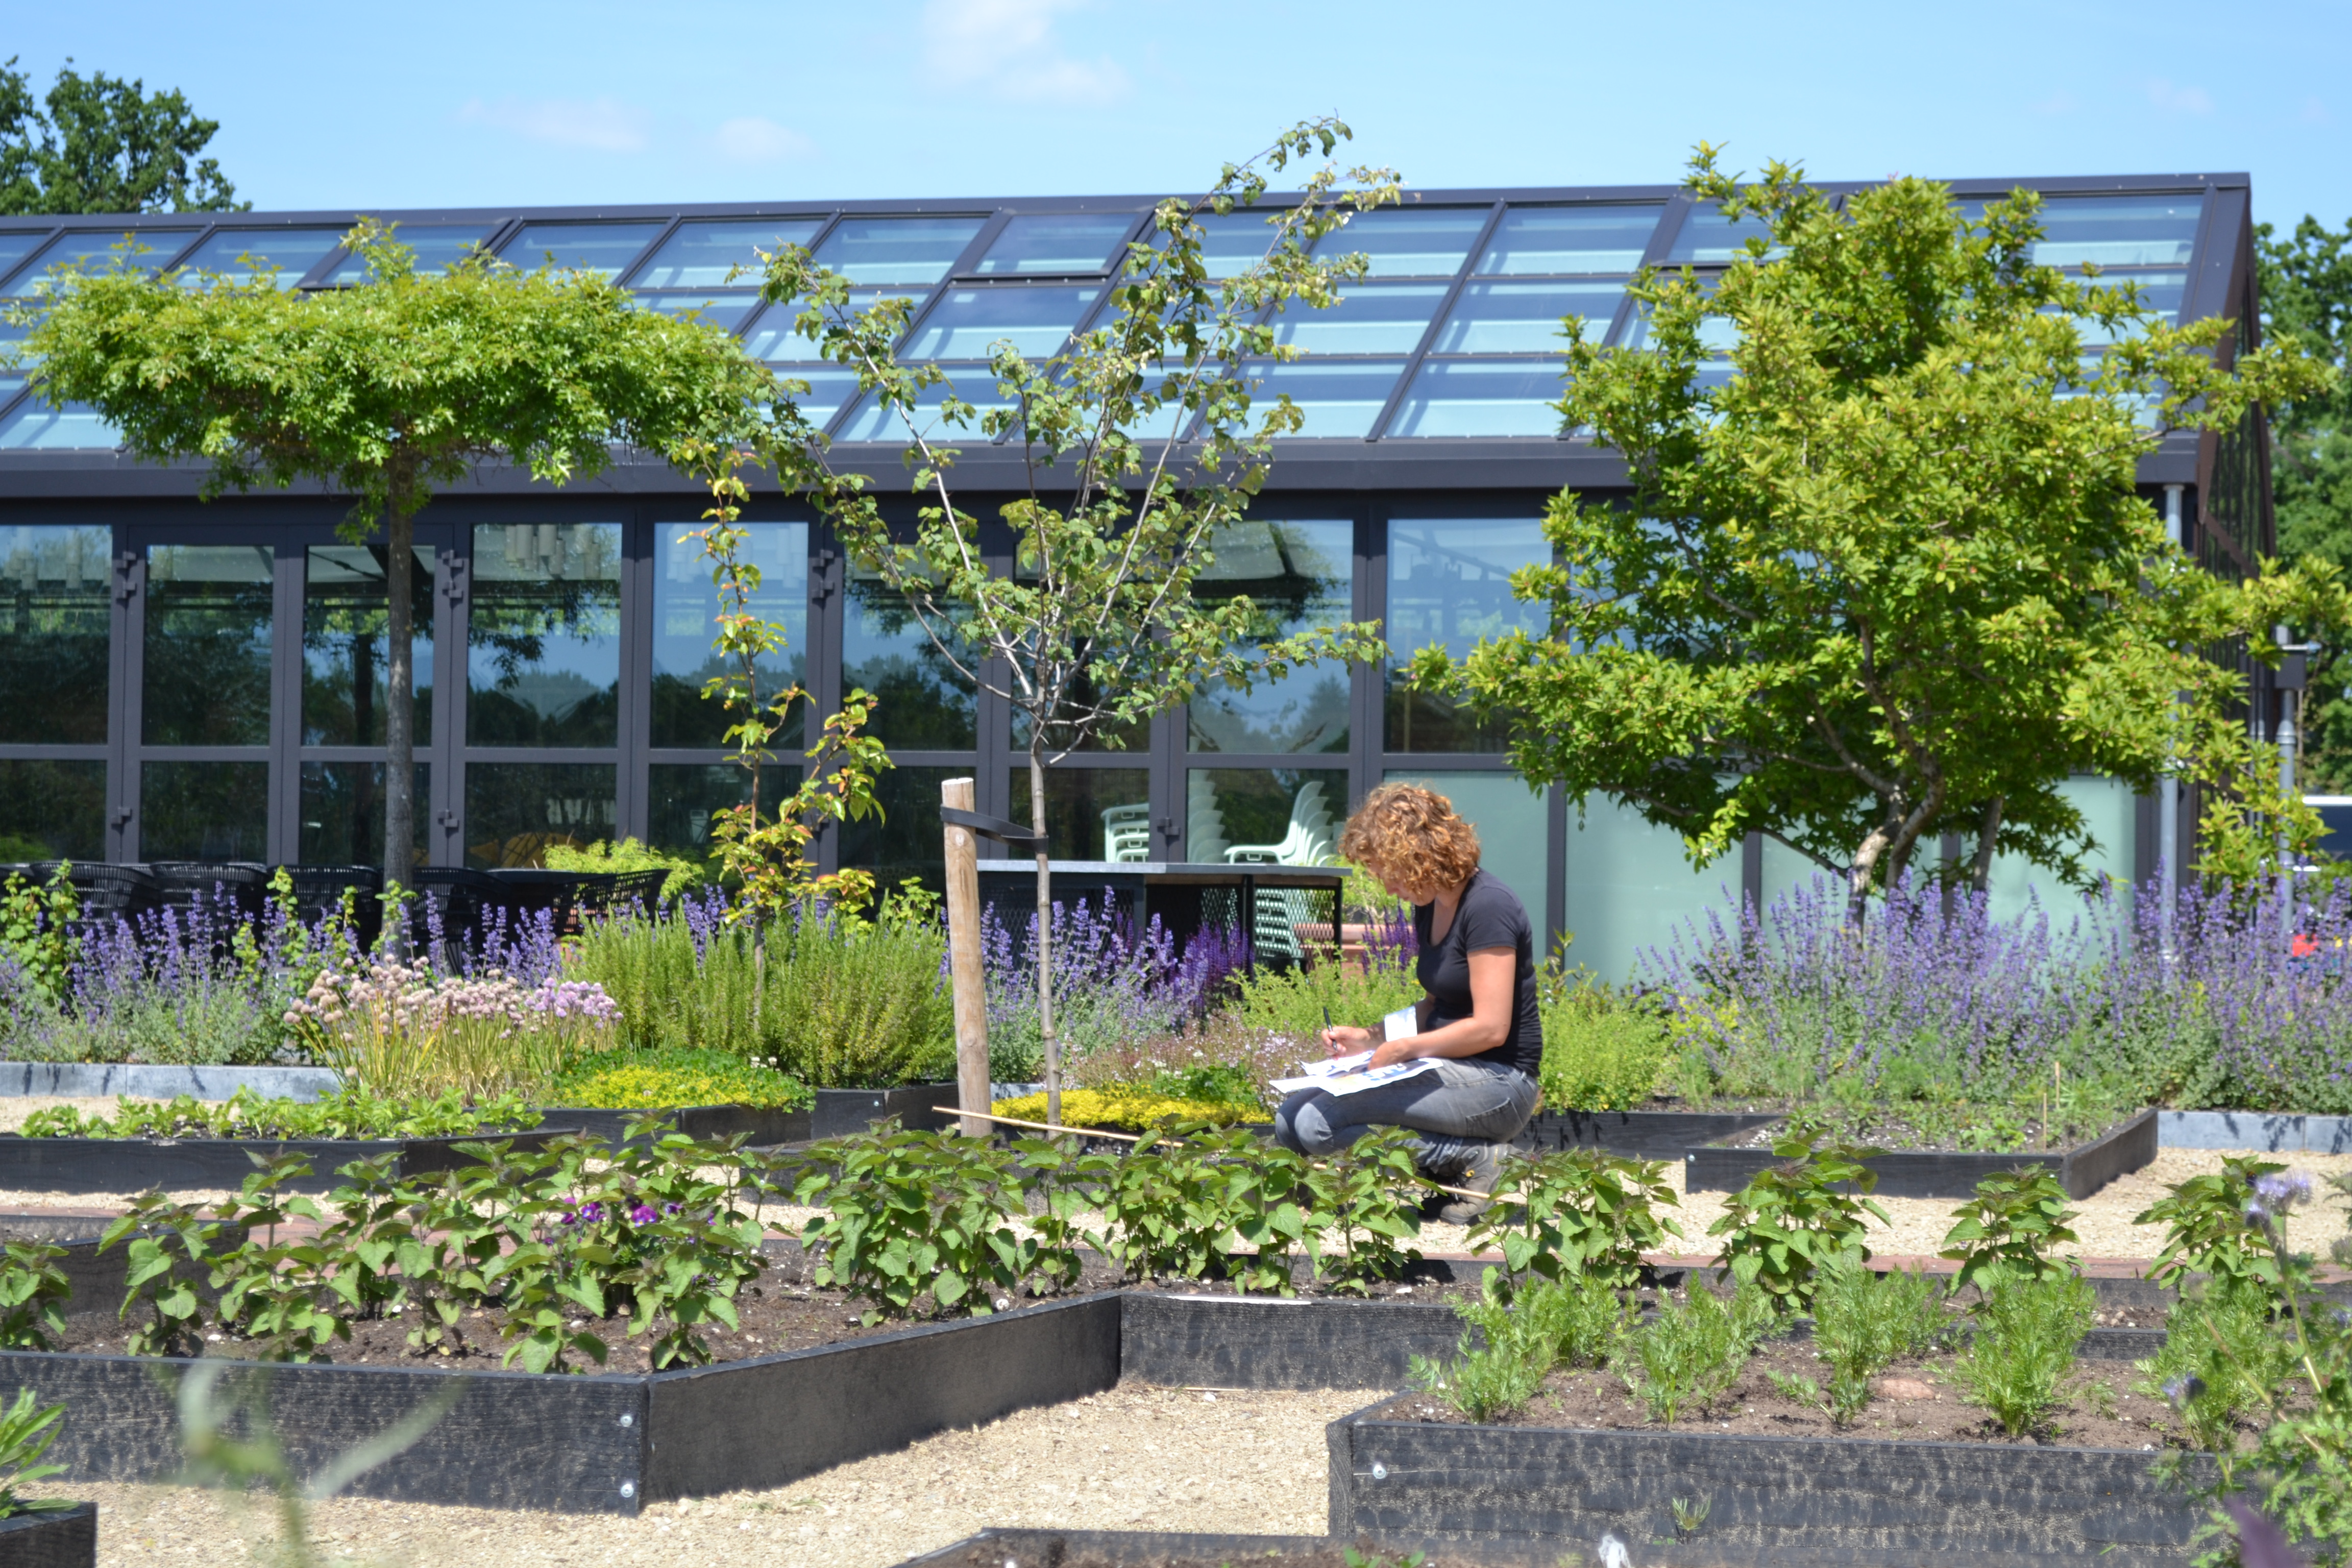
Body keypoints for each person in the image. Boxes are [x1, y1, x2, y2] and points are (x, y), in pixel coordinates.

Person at [1272, 782, 1541, 1221]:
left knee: (1317, 1124)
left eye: (1388, 874)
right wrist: (1370, 1037)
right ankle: (1443, 1171)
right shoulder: (1431, 904)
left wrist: (1403, 1050)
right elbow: (1436, 1003)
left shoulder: (1490, 906)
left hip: (1500, 1083)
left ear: (1415, 855)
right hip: (1448, 1070)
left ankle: (1477, 1161)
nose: (1389, 889)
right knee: (1289, 1118)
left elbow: (1491, 1028)